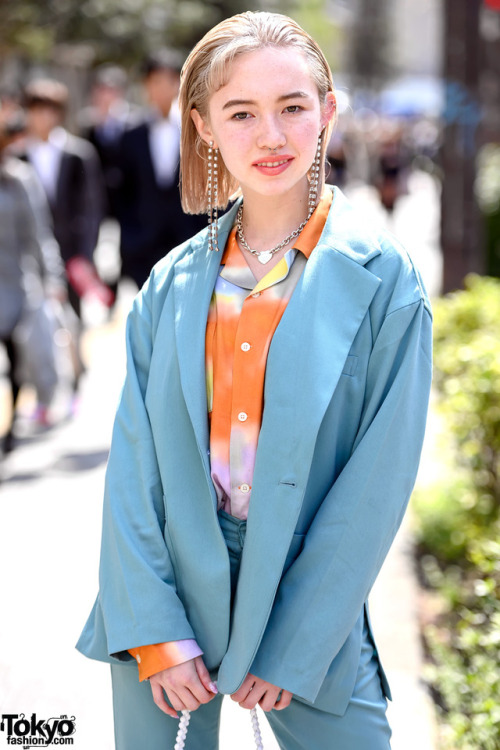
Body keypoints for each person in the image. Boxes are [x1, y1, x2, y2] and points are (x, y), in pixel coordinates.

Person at [77, 11, 433, 750]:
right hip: (169, 592)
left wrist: (302, 637)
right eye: (241, 112)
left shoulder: (384, 280)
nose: (271, 136)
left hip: (310, 586)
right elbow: (133, 465)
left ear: (327, 113)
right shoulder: (173, 281)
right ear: (203, 124)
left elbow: (377, 479)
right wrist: (152, 626)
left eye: (293, 107)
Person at [116, 49, 205, 289]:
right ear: (145, 86)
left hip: (190, 238)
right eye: (155, 82)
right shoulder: (131, 134)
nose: (162, 88)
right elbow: (123, 191)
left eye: (169, 81)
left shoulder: (198, 130)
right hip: (143, 243)